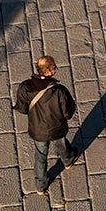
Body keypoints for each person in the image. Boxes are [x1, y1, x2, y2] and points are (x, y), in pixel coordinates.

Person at [13, 55, 78, 192]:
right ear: (48, 71)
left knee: (40, 156)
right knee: (61, 143)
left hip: (38, 130)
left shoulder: (25, 87)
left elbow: (22, 108)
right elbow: (68, 112)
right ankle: (67, 160)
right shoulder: (59, 91)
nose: (56, 69)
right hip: (57, 128)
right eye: (54, 67)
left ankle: (41, 185)